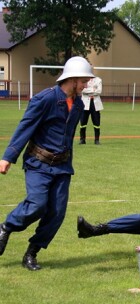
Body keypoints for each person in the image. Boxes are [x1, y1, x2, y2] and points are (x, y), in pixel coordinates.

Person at [0, 56, 94, 271]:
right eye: (84, 80)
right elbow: (26, 127)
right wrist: (8, 157)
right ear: (72, 79)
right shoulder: (45, 99)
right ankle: (6, 226)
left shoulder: (78, 104)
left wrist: (66, 162)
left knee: (57, 213)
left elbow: (66, 137)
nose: (86, 84)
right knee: (37, 204)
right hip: (38, 163)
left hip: (62, 167)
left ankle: (32, 253)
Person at [79, 65, 103, 145]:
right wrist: (93, 90)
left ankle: (97, 140)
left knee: (96, 122)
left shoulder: (98, 80)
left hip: (95, 104)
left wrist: (88, 91)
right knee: (83, 122)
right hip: (85, 103)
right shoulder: (83, 80)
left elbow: (99, 91)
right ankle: (82, 139)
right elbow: (82, 90)